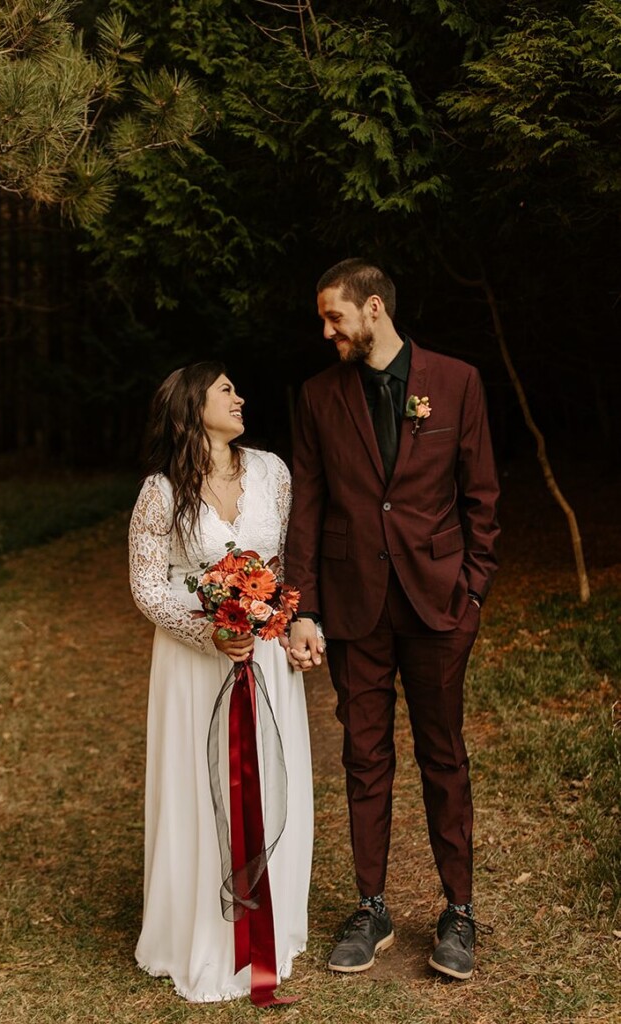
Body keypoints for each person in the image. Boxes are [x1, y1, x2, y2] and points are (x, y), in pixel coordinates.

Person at [284, 258, 500, 981]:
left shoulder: (457, 382)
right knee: (364, 756)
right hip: (353, 610)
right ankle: (370, 905)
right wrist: (304, 607)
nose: (326, 331)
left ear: (373, 310)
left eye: (334, 316)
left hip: (439, 604)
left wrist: (471, 596)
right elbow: (307, 507)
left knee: (444, 756)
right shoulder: (316, 397)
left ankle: (458, 912)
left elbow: (483, 500)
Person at [128, 361, 314, 1004]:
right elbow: (147, 586)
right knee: (199, 782)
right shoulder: (160, 490)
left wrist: (287, 626)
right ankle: (200, 931)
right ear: (192, 406)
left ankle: (269, 924)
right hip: (193, 665)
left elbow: (286, 564)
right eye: (226, 389)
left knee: (268, 772)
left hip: (263, 659)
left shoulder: (272, 472)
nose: (240, 397)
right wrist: (206, 630)